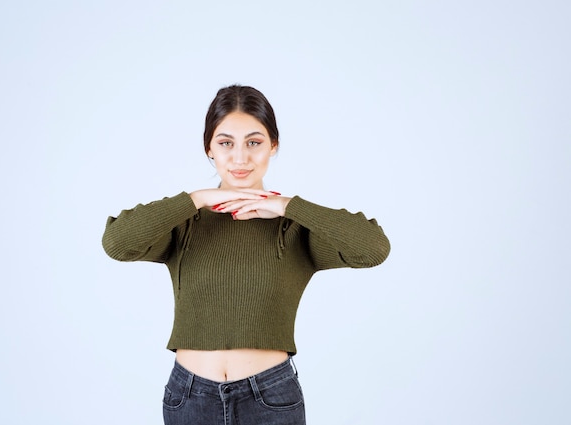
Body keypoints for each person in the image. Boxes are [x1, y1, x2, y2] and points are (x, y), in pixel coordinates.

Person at [102, 85, 390, 425]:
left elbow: (372, 248)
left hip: (270, 399)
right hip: (190, 398)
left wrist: (286, 206)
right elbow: (117, 243)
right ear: (209, 148)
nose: (240, 158)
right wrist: (195, 199)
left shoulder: (293, 228)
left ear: (273, 146)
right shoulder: (185, 223)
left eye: (254, 142)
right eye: (226, 143)